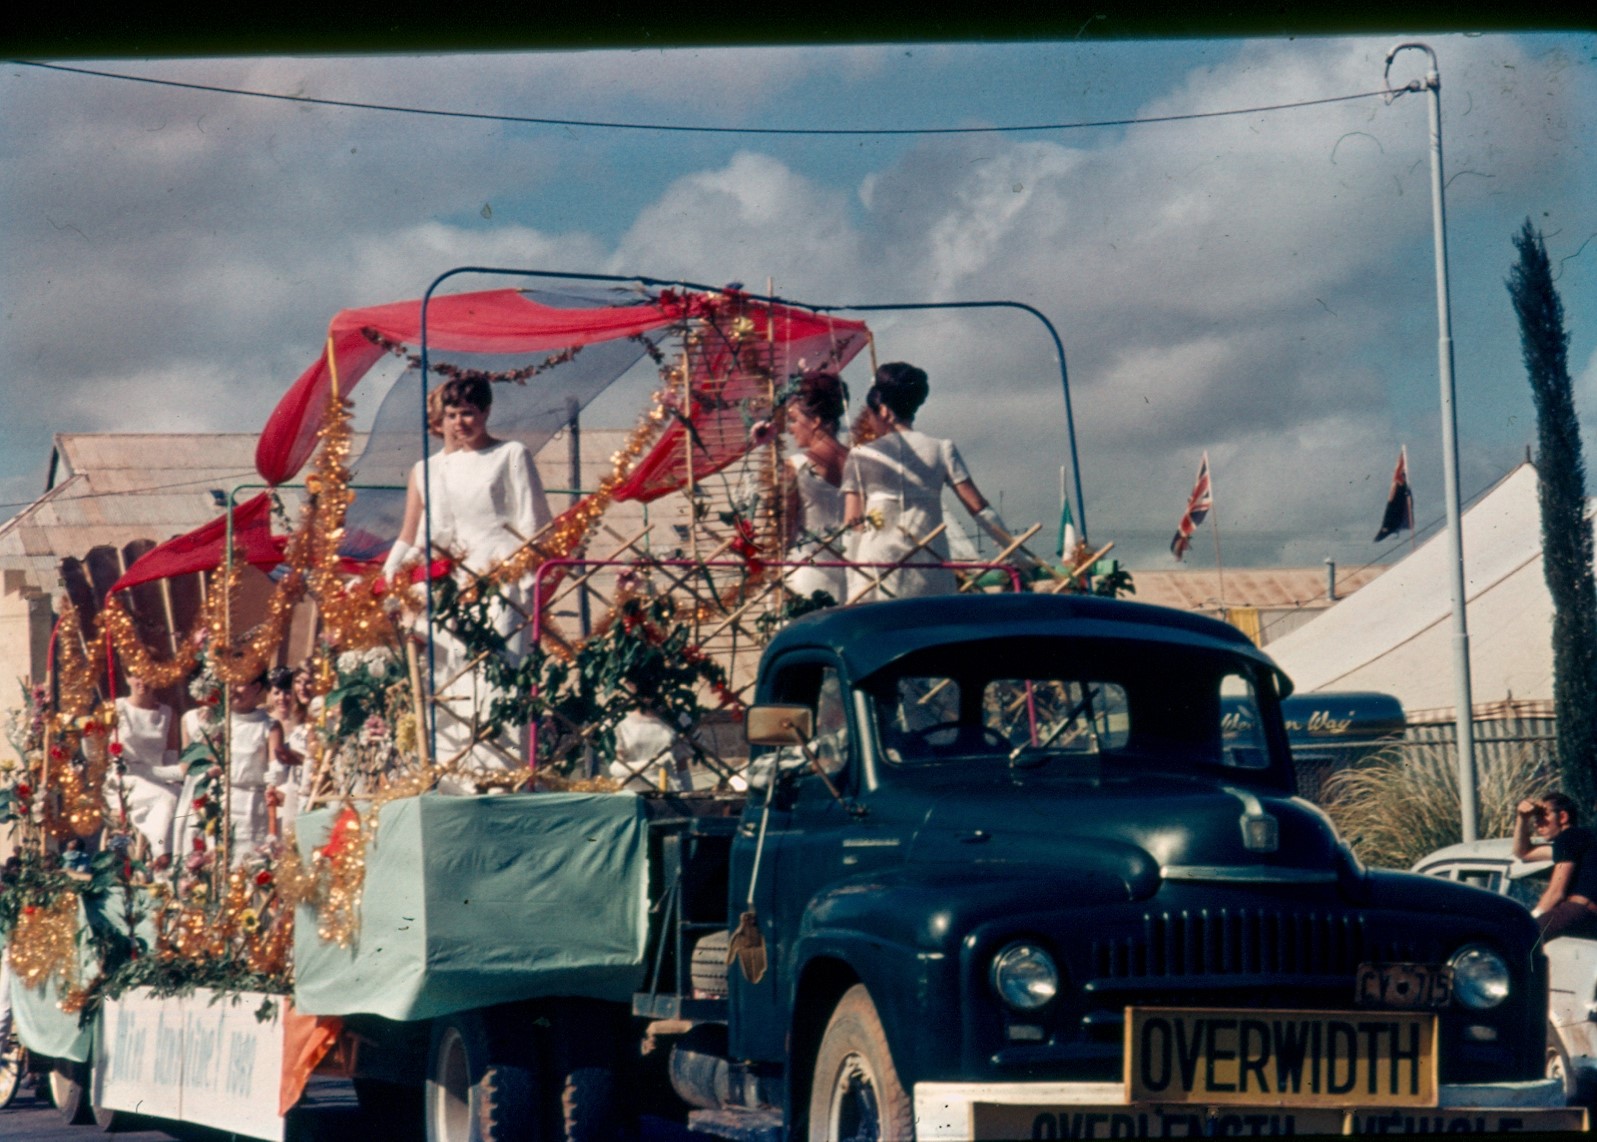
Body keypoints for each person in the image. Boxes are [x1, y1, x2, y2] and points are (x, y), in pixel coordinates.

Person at [383, 376, 552, 790]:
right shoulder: (427, 469)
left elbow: (534, 525)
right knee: (451, 679)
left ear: (486, 412)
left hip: (501, 582)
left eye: (469, 413)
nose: (460, 422)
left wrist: (524, 582)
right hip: (448, 588)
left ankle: (505, 775)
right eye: (452, 414)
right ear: (441, 418)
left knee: (497, 680)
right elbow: (412, 534)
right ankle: (456, 778)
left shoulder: (510, 455)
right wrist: (389, 575)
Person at [841, 362, 1027, 603]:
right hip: (928, 562)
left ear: (884, 411)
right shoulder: (941, 449)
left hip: (877, 565)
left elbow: (852, 524)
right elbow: (978, 506)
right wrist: (1016, 552)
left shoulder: (860, 456)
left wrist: (854, 581)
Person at [782, 370, 850, 604]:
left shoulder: (795, 467)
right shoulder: (860, 462)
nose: (790, 428)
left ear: (816, 421)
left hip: (808, 571)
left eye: (793, 420)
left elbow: (785, 529)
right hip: (854, 572)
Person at [108, 674, 184, 859]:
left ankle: (181, 855)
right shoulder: (116, 709)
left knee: (183, 798)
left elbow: (170, 758)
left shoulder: (168, 714)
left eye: (148, 675)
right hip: (124, 778)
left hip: (158, 776)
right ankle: (161, 852)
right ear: (127, 678)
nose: (143, 682)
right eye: (136, 676)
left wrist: (173, 780)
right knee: (168, 797)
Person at [1513, 793, 1597, 940]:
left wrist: (1533, 917)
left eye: (1542, 815)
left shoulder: (1568, 837)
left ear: (1563, 817)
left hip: (1579, 911)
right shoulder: (1582, 839)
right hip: (1588, 918)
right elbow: (1523, 852)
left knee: (1519, 938)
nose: (1536, 823)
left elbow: (1556, 892)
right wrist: (1522, 818)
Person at [223, 671, 283, 863]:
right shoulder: (219, 723)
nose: (233, 689)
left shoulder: (269, 725)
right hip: (223, 803)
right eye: (229, 683)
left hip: (253, 807)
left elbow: (275, 773)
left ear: (256, 687)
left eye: (239, 683)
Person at [265, 666, 310, 833]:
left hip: (293, 788)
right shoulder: (266, 721)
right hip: (271, 788)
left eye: (287, 692)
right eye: (276, 693)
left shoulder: (299, 720)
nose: (282, 698)